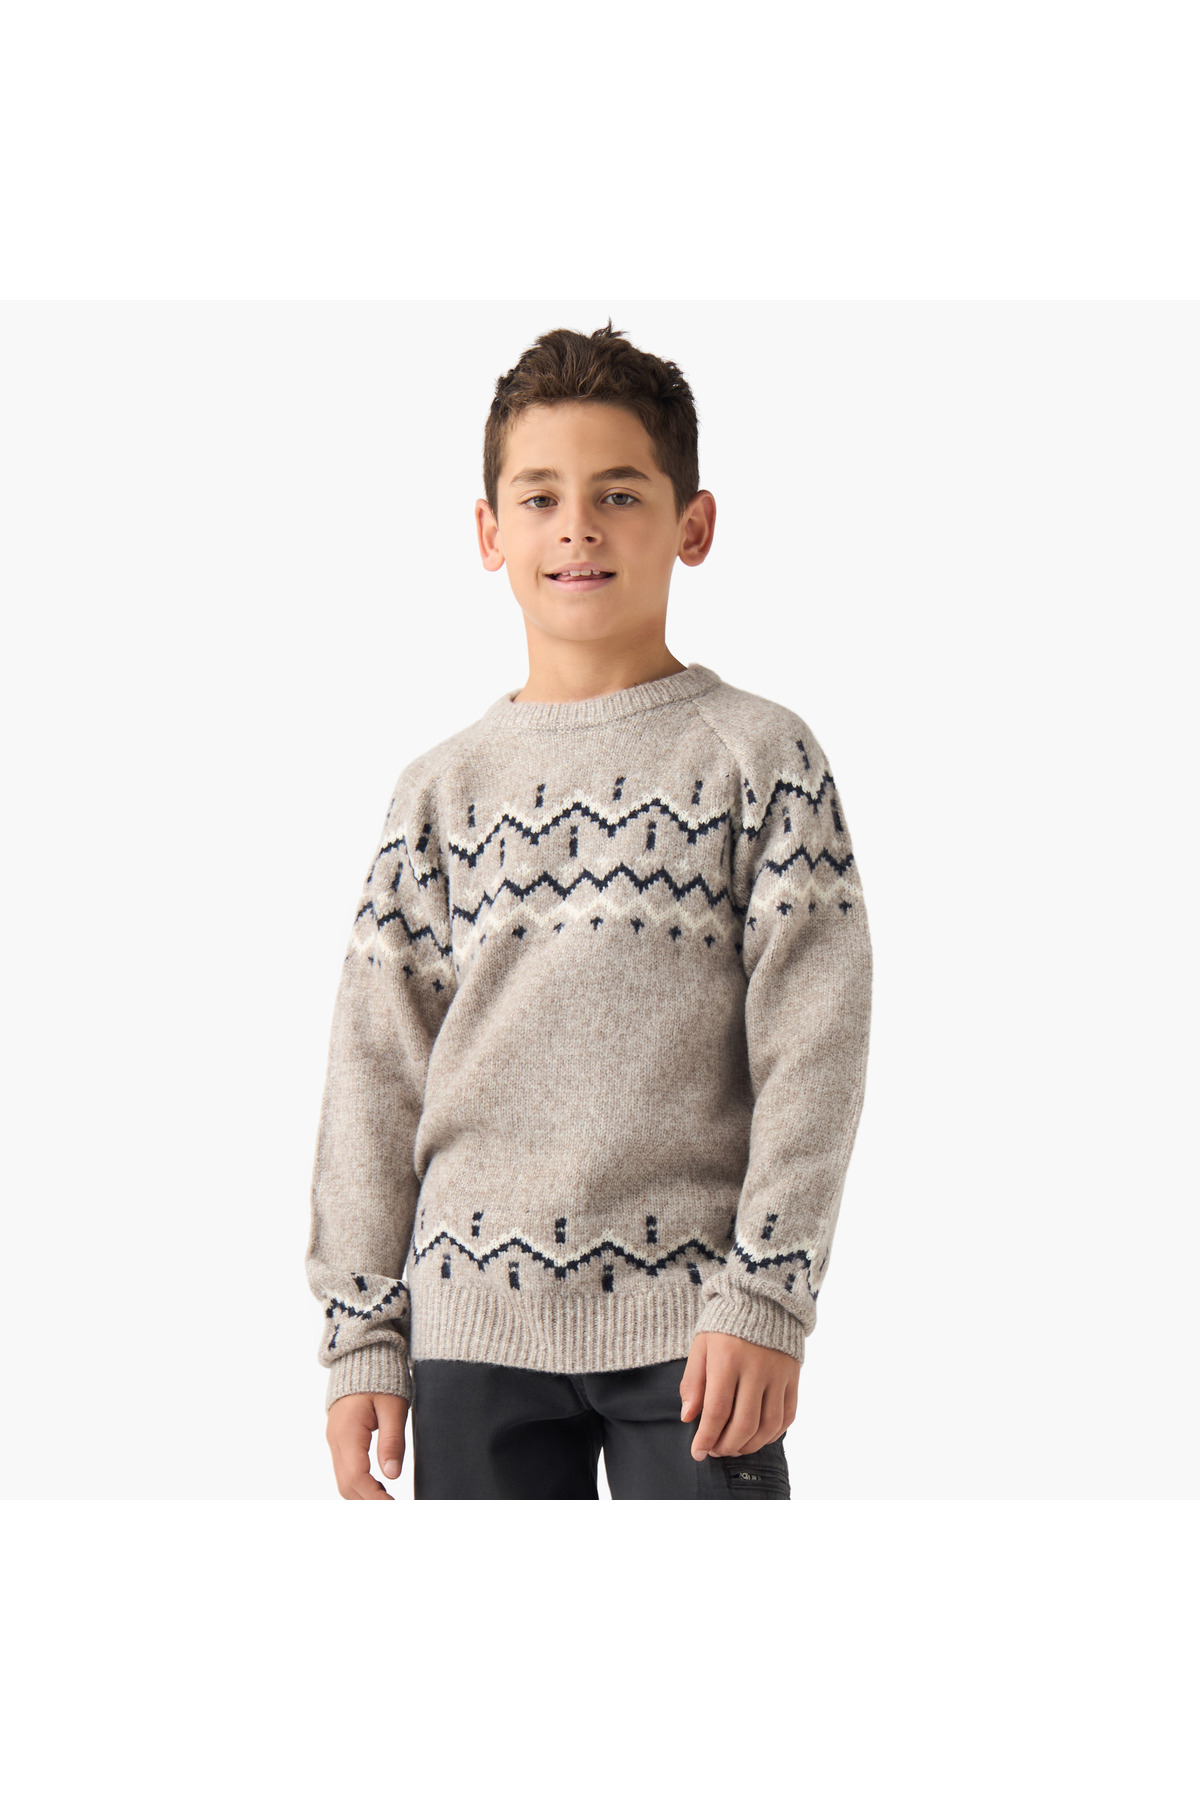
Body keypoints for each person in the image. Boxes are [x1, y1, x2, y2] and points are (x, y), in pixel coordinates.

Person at [305, 320, 873, 1500]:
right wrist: (363, 1329)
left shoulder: (761, 758)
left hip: (700, 1327)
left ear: (693, 525)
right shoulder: (440, 791)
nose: (577, 527)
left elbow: (816, 1045)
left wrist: (770, 1294)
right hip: (471, 1329)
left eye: (619, 494)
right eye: (540, 497)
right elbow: (375, 1065)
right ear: (489, 531)